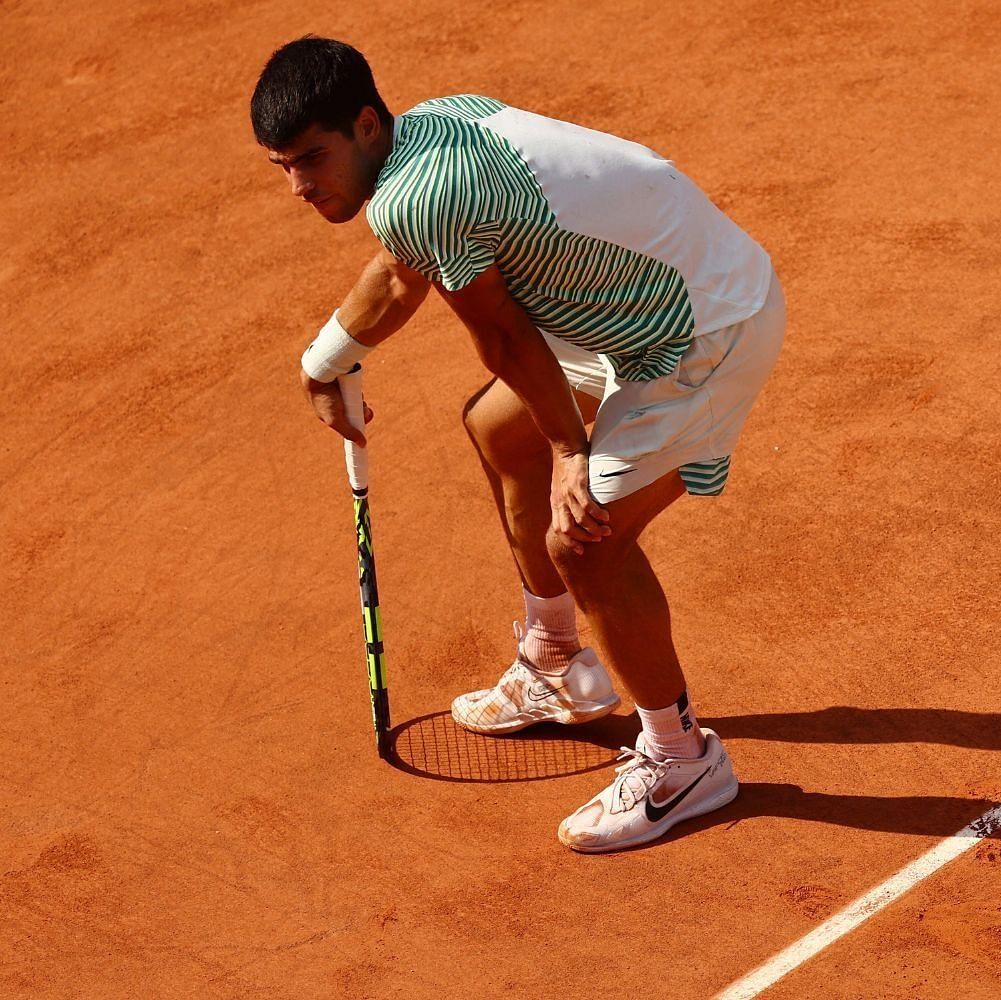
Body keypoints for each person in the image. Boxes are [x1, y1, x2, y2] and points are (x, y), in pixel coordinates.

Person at [251, 35, 783, 852]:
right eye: (283, 165)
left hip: (700, 329)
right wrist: (326, 360)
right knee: (499, 427)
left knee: (587, 543)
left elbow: (502, 335)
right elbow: (400, 276)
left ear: (364, 125)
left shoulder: (420, 195)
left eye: (311, 158)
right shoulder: (431, 125)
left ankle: (684, 762)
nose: (297, 185)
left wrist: (573, 451)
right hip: (633, 309)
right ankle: (560, 662)